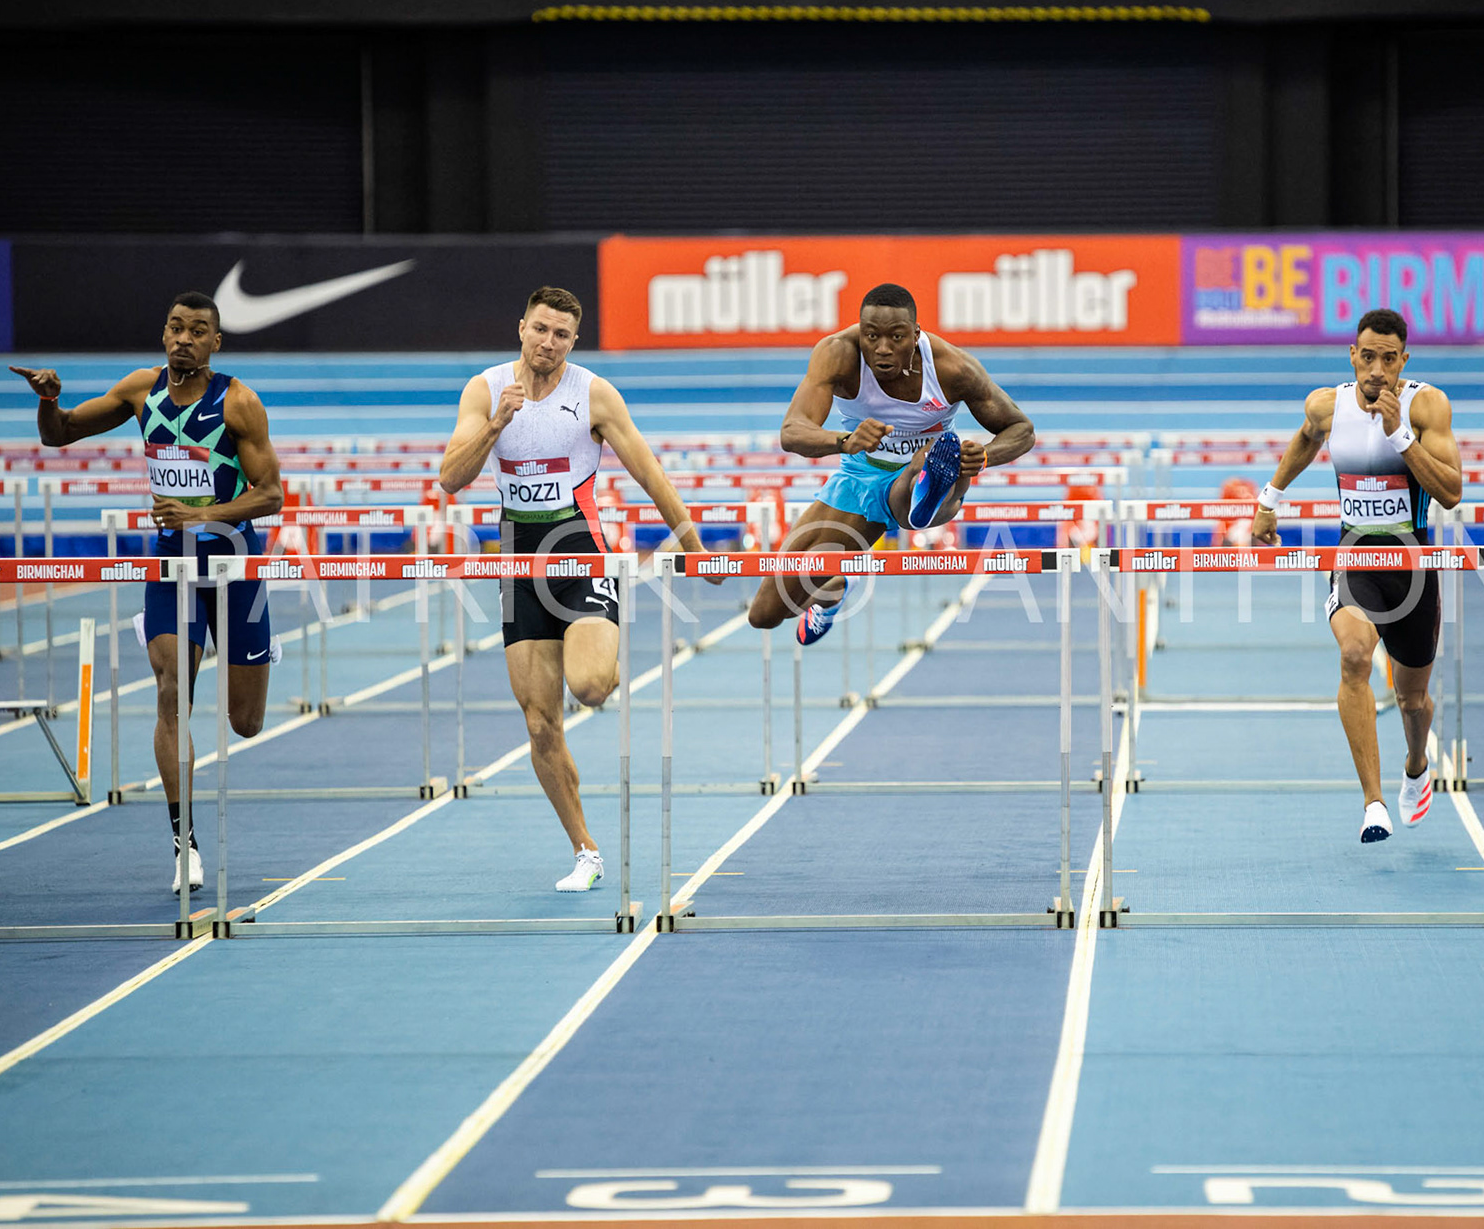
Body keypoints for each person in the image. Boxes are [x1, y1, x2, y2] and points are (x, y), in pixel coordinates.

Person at [438, 286, 715, 892]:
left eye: (561, 335)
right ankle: (585, 849)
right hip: (517, 562)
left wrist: (692, 545)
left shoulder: (592, 394)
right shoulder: (484, 391)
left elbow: (648, 469)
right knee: (541, 724)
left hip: (579, 552)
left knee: (589, 688)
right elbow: (451, 480)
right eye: (541, 329)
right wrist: (496, 424)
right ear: (521, 328)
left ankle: (605, 651)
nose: (549, 342)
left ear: (573, 341)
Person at [12, 291, 283, 894]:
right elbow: (59, 436)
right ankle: (182, 839)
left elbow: (270, 496)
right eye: (175, 327)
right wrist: (50, 401)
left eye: (197, 331)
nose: (183, 338)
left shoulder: (238, 403)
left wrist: (202, 514)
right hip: (170, 564)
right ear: (164, 333)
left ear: (216, 342)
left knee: (246, 722)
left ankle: (256, 651)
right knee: (170, 691)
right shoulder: (142, 391)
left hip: (235, 560)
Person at [1250, 308, 1463, 844]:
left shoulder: (1427, 405)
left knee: (1413, 700)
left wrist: (1401, 437)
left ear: (1403, 361)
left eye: (1388, 360)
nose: (1376, 370)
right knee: (1353, 656)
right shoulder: (1328, 404)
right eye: (1367, 357)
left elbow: (1451, 493)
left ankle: (1416, 763)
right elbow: (1305, 438)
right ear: (1353, 355)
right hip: (1355, 554)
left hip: (1413, 563)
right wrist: (1270, 499)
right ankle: (1373, 803)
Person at [746, 283, 1036, 641]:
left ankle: (928, 483)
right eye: (871, 337)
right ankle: (835, 589)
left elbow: (1021, 429)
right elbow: (792, 431)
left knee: (919, 479)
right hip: (859, 480)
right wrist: (845, 441)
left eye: (896, 337)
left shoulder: (951, 368)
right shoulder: (837, 353)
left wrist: (986, 455)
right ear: (860, 333)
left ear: (915, 336)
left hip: (926, 473)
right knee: (765, 615)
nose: (882, 349)